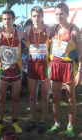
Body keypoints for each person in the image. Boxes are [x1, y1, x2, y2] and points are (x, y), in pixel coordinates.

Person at [47, 3, 82, 138]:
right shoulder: (53, 29)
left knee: (71, 99)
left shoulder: (74, 30)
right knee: (55, 98)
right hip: (55, 65)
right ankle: (57, 124)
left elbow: (80, 52)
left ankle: (70, 126)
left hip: (68, 66)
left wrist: (80, 71)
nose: (59, 16)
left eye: (61, 13)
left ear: (67, 14)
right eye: (56, 14)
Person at [0, 9, 26, 135]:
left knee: (16, 97)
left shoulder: (21, 34)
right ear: (2, 20)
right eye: (4, 19)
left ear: (14, 19)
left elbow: (32, 38)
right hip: (3, 72)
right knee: (2, 98)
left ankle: (15, 122)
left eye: (9, 18)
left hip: (16, 71)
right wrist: (0, 65)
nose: (6, 21)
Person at [24, 6, 53, 134]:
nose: (36, 18)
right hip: (32, 65)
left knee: (44, 96)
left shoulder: (48, 30)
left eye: (39, 15)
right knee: (32, 96)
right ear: (31, 17)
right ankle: (33, 121)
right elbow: (10, 34)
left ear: (42, 16)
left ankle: (42, 122)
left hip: (44, 65)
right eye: (34, 16)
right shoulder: (26, 30)